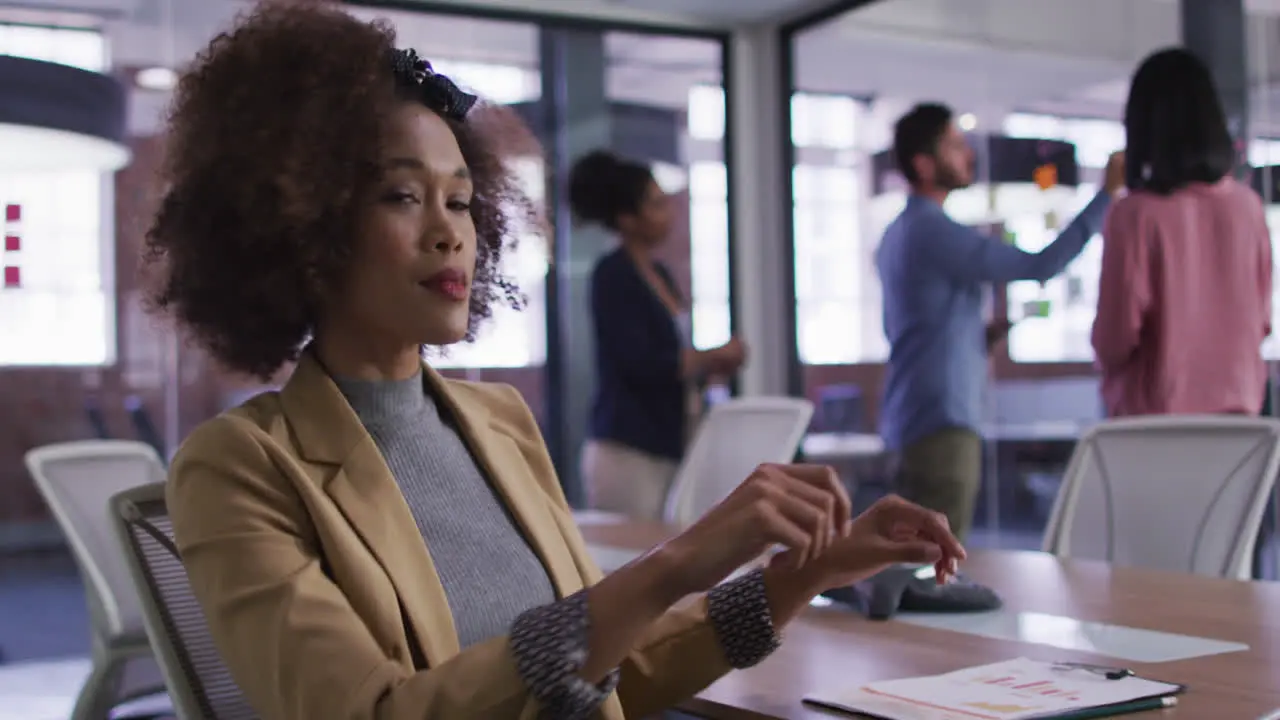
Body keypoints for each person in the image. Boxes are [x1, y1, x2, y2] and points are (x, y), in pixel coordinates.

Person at [144, 5, 966, 720]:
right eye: (402, 195)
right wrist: (672, 564)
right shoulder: (236, 469)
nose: (450, 231)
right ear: (303, 228)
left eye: (462, 200)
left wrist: (802, 575)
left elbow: (608, 679)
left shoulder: (497, 420)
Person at [876, 102, 1125, 542]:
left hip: (913, 418)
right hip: (942, 427)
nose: (968, 155)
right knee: (935, 569)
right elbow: (1042, 264)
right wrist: (1105, 195)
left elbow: (918, 327)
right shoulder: (932, 231)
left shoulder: (898, 233)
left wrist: (977, 338)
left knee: (913, 563)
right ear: (924, 164)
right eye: (954, 145)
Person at [1092, 47, 1271, 418]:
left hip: (1157, 428)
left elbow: (1114, 338)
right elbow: (1262, 321)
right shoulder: (1248, 208)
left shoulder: (1135, 214)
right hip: (1240, 421)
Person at [569, 150, 746, 521]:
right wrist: (710, 355)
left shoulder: (661, 274)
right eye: (656, 204)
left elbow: (674, 361)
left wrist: (713, 367)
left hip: (670, 442)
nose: (669, 212)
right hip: (629, 449)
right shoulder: (612, 274)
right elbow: (641, 361)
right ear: (627, 218)